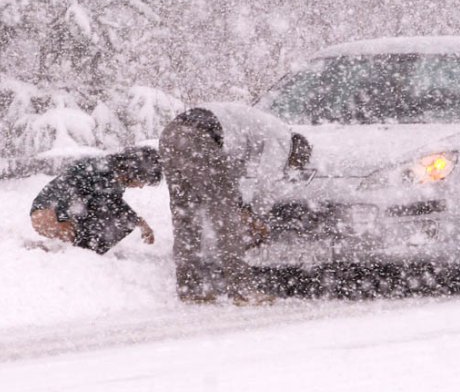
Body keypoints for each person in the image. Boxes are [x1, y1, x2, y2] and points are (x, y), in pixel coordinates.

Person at [159, 103, 310, 305]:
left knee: (186, 217)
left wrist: (243, 209)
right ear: (295, 152)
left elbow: (230, 174)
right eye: (290, 166)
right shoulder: (282, 137)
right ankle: (243, 290)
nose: (286, 169)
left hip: (172, 134)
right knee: (227, 222)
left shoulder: (252, 129)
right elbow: (267, 179)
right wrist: (257, 216)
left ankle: (189, 288)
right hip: (199, 139)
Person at [29, 146, 162, 255]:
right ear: (134, 170)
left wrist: (140, 223)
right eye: (143, 180)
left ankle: (81, 254)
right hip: (47, 212)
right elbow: (68, 191)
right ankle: (67, 253)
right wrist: (62, 221)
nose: (141, 186)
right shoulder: (99, 170)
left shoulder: (113, 175)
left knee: (122, 220)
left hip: (58, 213)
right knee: (117, 219)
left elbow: (115, 204)